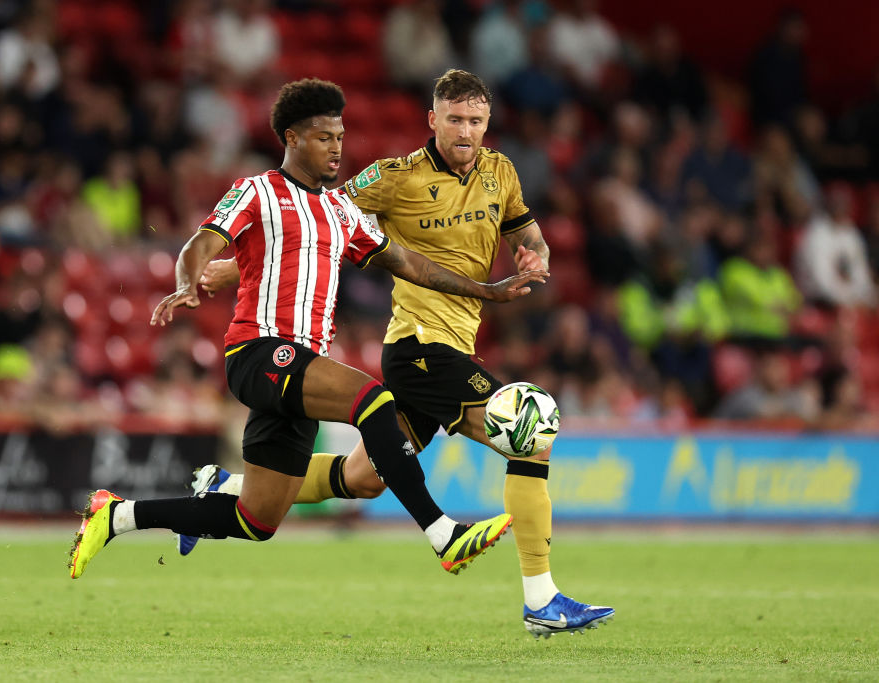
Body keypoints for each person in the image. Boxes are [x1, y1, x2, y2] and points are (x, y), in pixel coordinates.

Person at [184, 69, 614, 638]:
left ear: (488, 125)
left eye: (476, 121)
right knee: (530, 432)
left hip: (455, 344)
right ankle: (542, 597)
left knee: (365, 478)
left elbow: (528, 235)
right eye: (455, 119)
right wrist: (226, 267)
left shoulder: (501, 173)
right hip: (419, 349)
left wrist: (535, 254)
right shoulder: (392, 178)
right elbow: (310, 223)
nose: (466, 131)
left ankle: (228, 487)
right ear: (432, 121)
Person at [68, 78, 546, 580]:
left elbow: (409, 264)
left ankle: (115, 515)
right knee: (375, 401)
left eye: (340, 136)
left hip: (299, 370)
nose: (336, 147)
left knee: (256, 520)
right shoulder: (257, 191)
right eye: (323, 138)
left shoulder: (340, 212)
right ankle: (442, 532)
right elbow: (201, 243)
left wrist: (488, 291)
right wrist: (187, 282)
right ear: (292, 138)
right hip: (259, 352)